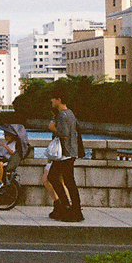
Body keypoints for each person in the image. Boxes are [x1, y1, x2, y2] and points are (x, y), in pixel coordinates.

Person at [48, 92, 83, 222]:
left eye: (53, 98)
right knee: (69, 180)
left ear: (59, 100)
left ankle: (68, 206)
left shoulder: (62, 115)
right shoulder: (70, 113)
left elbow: (64, 134)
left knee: (54, 177)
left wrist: (53, 128)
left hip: (64, 153)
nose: (51, 101)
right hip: (71, 151)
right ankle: (73, 208)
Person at [0, 123, 29, 189]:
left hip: (9, 160)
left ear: (12, 136)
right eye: (4, 135)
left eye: (7, 135)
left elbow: (13, 153)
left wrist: (6, 147)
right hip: (3, 158)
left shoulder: (14, 143)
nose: (5, 137)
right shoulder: (7, 143)